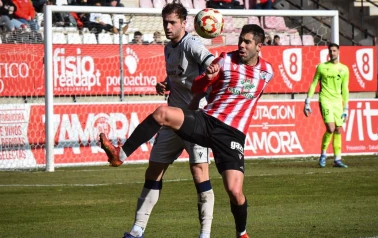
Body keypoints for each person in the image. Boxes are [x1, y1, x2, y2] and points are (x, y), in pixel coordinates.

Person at [100, 23, 274, 238]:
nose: (241, 45)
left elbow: (253, 97)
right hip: (207, 121)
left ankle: (242, 233)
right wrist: (207, 79)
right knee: (162, 113)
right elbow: (198, 87)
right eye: (240, 40)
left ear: (259, 46)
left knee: (235, 191)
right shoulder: (225, 60)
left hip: (232, 135)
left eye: (247, 42)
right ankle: (120, 154)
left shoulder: (268, 72)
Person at [103, 2, 217, 238]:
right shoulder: (168, 48)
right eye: (165, 22)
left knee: (199, 173)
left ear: (184, 23)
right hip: (173, 117)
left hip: (196, 119)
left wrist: (201, 92)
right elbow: (179, 76)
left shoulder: (192, 43)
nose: (167, 26)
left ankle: (205, 235)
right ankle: (136, 231)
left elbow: (213, 68)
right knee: (153, 171)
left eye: (172, 22)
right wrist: (165, 83)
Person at [303, 43, 349, 168]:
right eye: (330, 51)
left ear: (338, 52)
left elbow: (345, 88)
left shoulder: (344, 69)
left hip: (338, 102)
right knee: (330, 128)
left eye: (334, 50)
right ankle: (323, 154)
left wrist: (346, 107)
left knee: (338, 129)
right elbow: (313, 84)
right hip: (325, 100)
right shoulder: (322, 67)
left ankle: (337, 159)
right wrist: (308, 101)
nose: (332, 53)